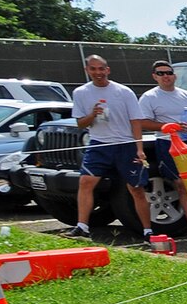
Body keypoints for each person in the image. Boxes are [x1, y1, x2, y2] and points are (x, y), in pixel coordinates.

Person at [66, 54, 155, 244]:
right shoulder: (81, 92)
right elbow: (81, 123)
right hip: (99, 143)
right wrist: (92, 114)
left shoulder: (123, 91)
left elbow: (136, 121)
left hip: (125, 144)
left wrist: (139, 149)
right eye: (93, 69)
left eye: (101, 69)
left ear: (108, 70)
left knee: (136, 188)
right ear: (87, 70)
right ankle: (82, 226)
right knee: (86, 182)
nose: (98, 73)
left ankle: (148, 231)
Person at [137, 59, 187, 240]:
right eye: (161, 73)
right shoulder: (149, 97)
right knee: (181, 185)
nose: (166, 76)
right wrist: (170, 126)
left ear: (174, 75)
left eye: (169, 73)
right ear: (155, 77)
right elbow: (143, 122)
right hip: (169, 144)